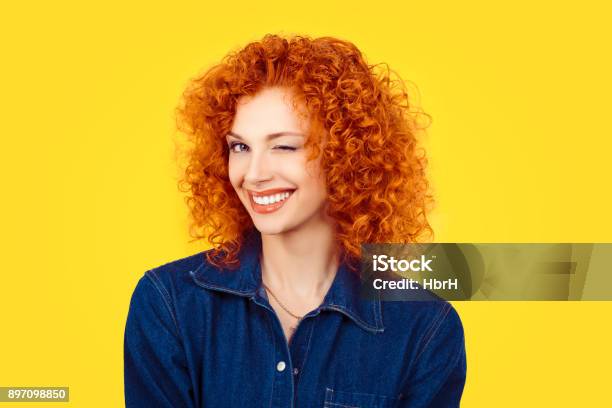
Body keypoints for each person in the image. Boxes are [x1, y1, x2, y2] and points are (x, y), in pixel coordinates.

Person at [124, 34, 467, 408]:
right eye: (240, 147)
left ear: (345, 157)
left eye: (284, 146)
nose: (253, 174)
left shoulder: (424, 328)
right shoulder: (169, 304)